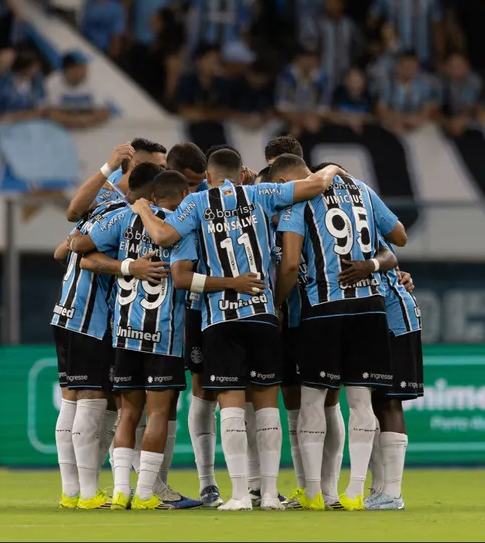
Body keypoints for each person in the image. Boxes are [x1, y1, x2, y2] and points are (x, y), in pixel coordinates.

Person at [128, 149, 343, 511]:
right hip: (263, 314)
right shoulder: (261, 194)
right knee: (267, 406)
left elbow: (163, 237)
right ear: (241, 174)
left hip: (220, 319)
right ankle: (270, 494)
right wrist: (332, 167)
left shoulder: (196, 203)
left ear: (208, 177)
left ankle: (240, 494)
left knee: (230, 405)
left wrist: (143, 210)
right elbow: (316, 184)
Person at [268, 153, 407, 512]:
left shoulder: (299, 199)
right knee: (361, 401)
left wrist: (277, 303)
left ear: (283, 181)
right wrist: (370, 259)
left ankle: (314, 492)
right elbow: (399, 236)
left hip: (325, 307)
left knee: (314, 399)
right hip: (370, 305)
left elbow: (291, 263)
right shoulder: (363, 189)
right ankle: (356, 491)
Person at [70, 170, 201, 510]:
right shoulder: (181, 227)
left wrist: (126, 265)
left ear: (152, 195)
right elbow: (184, 277)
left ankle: (120, 492)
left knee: (127, 413)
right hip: (163, 337)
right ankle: (144, 495)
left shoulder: (124, 218)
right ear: (185, 196)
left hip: (124, 334)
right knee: (157, 414)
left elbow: (84, 255)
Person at [50, 162, 166, 510]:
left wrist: (75, 240)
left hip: (66, 311)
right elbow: (84, 253)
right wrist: (131, 267)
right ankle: (87, 494)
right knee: (91, 399)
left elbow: (62, 250)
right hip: (90, 317)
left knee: (73, 401)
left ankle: (72, 492)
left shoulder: (99, 208)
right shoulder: (122, 213)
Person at [342, 242, 418, 511]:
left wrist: (375, 267)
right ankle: (381, 489)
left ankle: (393, 493)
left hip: (394, 319)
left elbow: (392, 250)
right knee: (374, 404)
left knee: (388, 401)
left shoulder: (367, 222)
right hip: (378, 316)